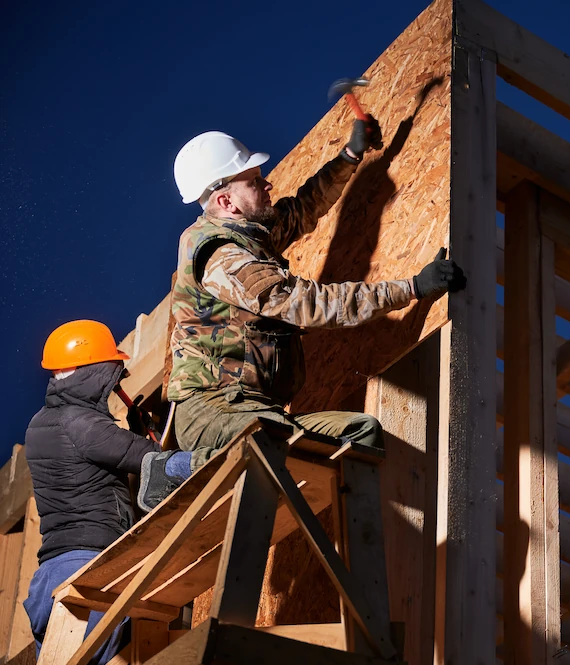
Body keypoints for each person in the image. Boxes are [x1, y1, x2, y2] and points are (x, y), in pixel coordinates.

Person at [139, 117, 465, 510]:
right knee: (270, 441)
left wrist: (350, 155)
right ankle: (172, 469)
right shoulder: (221, 257)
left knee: (359, 433)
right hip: (212, 409)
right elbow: (306, 303)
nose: (267, 185)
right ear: (226, 201)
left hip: (259, 410)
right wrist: (410, 289)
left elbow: (302, 209)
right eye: (254, 181)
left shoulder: (249, 235)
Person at [23, 320, 191, 663]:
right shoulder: (79, 422)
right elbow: (151, 459)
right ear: (96, 373)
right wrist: (209, 458)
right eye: (113, 375)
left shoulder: (42, 423)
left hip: (51, 581)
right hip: (89, 575)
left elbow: (92, 467)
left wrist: (133, 431)